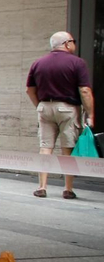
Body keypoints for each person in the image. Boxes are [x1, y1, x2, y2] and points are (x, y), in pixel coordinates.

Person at [27, 31, 95, 199]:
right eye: (73, 41)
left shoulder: (38, 63)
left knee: (45, 147)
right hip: (67, 109)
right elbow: (85, 90)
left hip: (44, 107)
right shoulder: (77, 63)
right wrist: (91, 114)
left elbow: (29, 89)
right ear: (66, 44)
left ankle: (42, 187)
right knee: (68, 148)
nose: (75, 44)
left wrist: (40, 106)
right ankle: (68, 188)